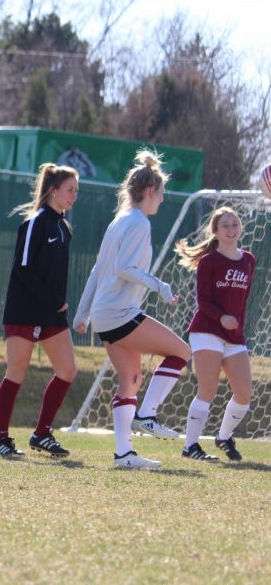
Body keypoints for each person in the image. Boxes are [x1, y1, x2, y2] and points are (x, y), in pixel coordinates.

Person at [73, 150, 190, 470]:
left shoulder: (118, 222)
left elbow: (99, 270)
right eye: (162, 194)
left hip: (103, 315)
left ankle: (124, 454)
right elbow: (124, 268)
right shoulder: (138, 222)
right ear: (150, 192)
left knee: (131, 378)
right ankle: (147, 414)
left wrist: (83, 313)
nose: (162, 200)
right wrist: (160, 286)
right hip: (120, 312)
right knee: (181, 352)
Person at [0, 164, 79, 459]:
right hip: (25, 309)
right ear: (54, 190)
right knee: (16, 371)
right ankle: (1, 439)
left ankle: (42, 433)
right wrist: (52, 299)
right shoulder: (35, 223)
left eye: (76, 191)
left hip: (52, 312)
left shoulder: (64, 227)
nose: (74, 196)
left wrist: (57, 302)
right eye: (70, 190)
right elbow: (24, 269)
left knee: (67, 370)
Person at [176, 207, 255, 461]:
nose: (231, 230)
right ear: (216, 232)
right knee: (208, 390)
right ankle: (190, 447)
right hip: (207, 330)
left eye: (234, 225)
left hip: (234, 337)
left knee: (244, 393)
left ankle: (223, 437)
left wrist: (237, 326)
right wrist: (222, 317)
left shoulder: (249, 260)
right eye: (225, 226)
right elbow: (203, 301)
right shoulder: (209, 261)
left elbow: (242, 302)